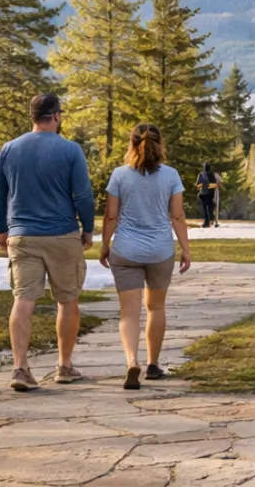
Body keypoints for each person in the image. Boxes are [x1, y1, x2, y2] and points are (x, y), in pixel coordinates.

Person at [0, 93, 95, 392]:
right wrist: (87, 228)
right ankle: (64, 365)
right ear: (57, 116)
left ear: (33, 116)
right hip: (62, 234)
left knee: (23, 300)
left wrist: (1, 228)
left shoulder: (9, 149)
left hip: (22, 235)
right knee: (67, 300)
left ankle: (21, 368)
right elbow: (83, 196)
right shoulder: (71, 150)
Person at [100, 123, 192, 390]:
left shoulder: (119, 175)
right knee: (156, 307)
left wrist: (105, 245)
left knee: (129, 313)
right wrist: (186, 249)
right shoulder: (171, 175)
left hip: (126, 249)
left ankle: (132, 361)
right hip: (160, 251)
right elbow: (177, 216)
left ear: (131, 143)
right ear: (160, 144)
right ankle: (153, 364)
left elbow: (111, 215)